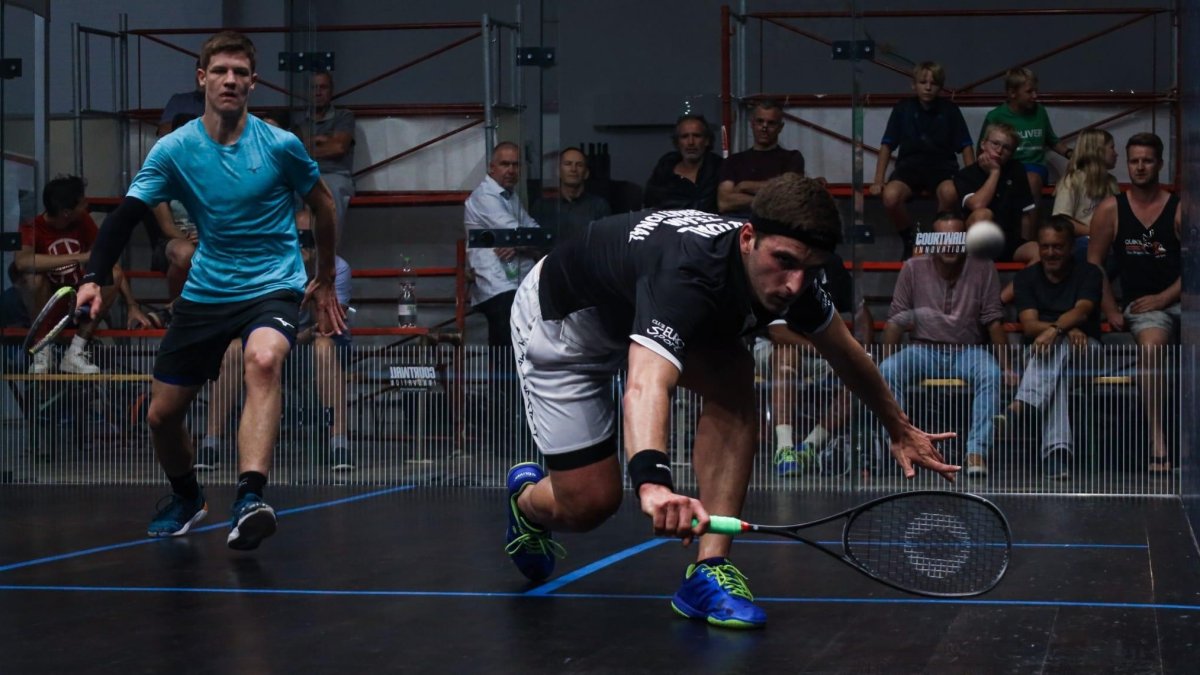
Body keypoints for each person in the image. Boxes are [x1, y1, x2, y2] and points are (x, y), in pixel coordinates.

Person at [503, 174, 957, 629]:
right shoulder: (686, 273)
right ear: (747, 238)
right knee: (589, 505)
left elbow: (847, 355)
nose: (794, 285)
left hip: (631, 313)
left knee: (736, 376)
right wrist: (653, 483)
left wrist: (898, 428)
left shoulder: (791, 280)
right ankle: (526, 502)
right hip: (565, 328)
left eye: (811, 270)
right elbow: (645, 385)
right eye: (783, 261)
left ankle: (709, 571)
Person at [75, 31, 345, 550]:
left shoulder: (280, 145)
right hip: (207, 289)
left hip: (273, 282)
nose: (230, 80)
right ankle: (187, 497)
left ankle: (250, 497)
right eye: (220, 71)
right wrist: (92, 277)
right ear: (202, 78)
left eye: (240, 73)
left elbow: (326, 204)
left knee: (264, 360)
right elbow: (124, 218)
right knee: (162, 416)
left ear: (252, 83)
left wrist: (326, 276)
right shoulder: (174, 151)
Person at [879, 212, 1008, 478]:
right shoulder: (913, 268)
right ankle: (898, 445)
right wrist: (881, 362)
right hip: (923, 349)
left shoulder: (983, 267)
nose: (949, 244)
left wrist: (1007, 367)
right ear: (933, 241)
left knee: (992, 373)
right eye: (942, 238)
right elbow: (896, 321)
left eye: (956, 238)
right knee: (888, 370)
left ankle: (976, 452)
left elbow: (994, 321)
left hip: (968, 350)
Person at [1087, 132, 1180, 473]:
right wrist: (1110, 307)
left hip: (1181, 299)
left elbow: (1196, 266)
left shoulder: (1179, 207)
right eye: (1135, 161)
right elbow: (1094, 263)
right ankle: (1159, 442)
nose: (1140, 167)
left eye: (1148, 160)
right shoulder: (1111, 208)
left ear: (1160, 163)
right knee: (1152, 348)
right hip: (1144, 307)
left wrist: (1166, 296)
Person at [15, 175, 151, 374]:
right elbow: (22, 262)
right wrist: (80, 257)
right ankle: (42, 349)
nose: (87, 206)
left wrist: (132, 305)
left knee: (112, 273)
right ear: (66, 212)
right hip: (45, 306)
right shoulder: (33, 227)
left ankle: (75, 352)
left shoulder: (83, 222)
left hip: (78, 306)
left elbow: (108, 261)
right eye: (82, 203)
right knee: (33, 279)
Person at [1011, 216, 1104, 480]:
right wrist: (1064, 329)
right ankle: (1057, 454)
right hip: (1041, 356)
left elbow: (1083, 311)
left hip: (1086, 352)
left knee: (1058, 348)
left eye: (1058, 247)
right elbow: (1029, 326)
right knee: (1057, 371)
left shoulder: (1089, 272)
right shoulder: (1027, 277)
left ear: (1071, 246)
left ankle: (1022, 403)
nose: (1051, 252)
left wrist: (1055, 330)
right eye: (1045, 246)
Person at [870, 61, 974, 259]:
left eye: (933, 83)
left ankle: (934, 240)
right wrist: (878, 179)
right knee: (890, 197)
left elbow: (966, 146)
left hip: (942, 168)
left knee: (950, 193)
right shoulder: (903, 109)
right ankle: (911, 239)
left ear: (940, 87)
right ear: (913, 85)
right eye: (923, 82)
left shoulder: (950, 110)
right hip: (909, 168)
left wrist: (972, 179)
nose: (928, 87)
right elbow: (886, 145)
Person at [463, 141, 542, 347]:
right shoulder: (485, 196)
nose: (511, 170)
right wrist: (521, 240)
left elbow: (537, 234)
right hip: (498, 288)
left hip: (517, 286)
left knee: (518, 353)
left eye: (515, 165)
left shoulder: (510, 197)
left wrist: (517, 243)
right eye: (505, 164)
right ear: (492, 167)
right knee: (506, 357)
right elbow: (518, 232)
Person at [979, 67, 1072, 210]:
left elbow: (1052, 140)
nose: (1035, 96)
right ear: (1012, 93)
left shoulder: (1039, 111)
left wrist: (1070, 154)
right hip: (1006, 166)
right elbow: (981, 149)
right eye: (1029, 92)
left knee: (1031, 180)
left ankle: (1029, 232)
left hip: (1034, 165)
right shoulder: (996, 116)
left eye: (1035, 90)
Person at [953, 122, 1037, 262]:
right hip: (978, 240)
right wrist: (994, 172)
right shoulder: (966, 174)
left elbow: (1025, 214)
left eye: (1006, 148)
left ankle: (1015, 284)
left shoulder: (1017, 170)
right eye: (995, 144)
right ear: (983, 144)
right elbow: (977, 205)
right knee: (983, 214)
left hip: (1009, 239)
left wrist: (1026, 240)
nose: (999, 151)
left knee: (1037, 251)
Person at [294, 71, 356, 244]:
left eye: (323, 87)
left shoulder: (344, 116)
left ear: (331, 91)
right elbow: (293, 152)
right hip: (303, 174)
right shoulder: (298, 121)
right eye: (313, 88)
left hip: (334, 174)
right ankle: (297, 258)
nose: (318, 92)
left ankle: (329, 259)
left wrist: (307, 144)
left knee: (332, 191)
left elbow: (339, 147)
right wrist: (323, 140)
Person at [717, 100, 807, 216]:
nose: (764, 127)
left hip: (776, 226)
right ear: (752, 123)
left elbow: (789, 194)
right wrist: (770, 199)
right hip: (740, 227)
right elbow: (724, 203)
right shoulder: (733, 161)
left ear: (780, 127)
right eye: (760, 121)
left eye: (771, 123)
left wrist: (744, 186)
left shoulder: (792, 158)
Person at [1050, 128, 1119, 260]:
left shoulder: (1111, 182)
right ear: (1097, 150)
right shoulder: (1072, 180)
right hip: (1080, 241)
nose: (1116, 153)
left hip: (1108, 239)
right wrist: (1095, 233)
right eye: (1112, 148)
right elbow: (1062, 220)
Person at [530, 147, 611, 245]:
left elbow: (604, 243)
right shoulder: (542, 206)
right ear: (558, 171)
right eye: (568, 164)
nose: (573, 169)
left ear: (586, 173)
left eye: (579, 165)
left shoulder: (599, 206)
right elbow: (534, 243)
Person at [644, 114, 723, 213]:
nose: (691, 142)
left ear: (707, 141)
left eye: (697, 136)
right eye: (684, 136)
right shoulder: (666, 166)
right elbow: (650, 203)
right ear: (677, 142)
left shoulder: (718, 167)